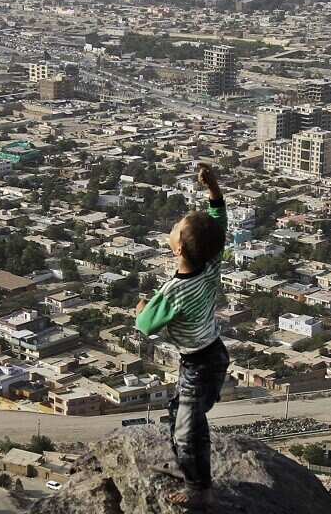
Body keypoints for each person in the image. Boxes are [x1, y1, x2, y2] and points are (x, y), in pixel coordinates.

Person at [134, 163, 230, 509]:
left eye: (176, 227)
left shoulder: (173, 292)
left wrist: (143, 306)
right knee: (183, 414)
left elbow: (145, 326)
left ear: (178, 249)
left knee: (186, 432)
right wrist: (214, 190)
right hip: (214, 354)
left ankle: (198, 490)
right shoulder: (213, 261)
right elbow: (218, 224)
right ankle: (191, 469)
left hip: (198, 364)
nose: (173, 226)